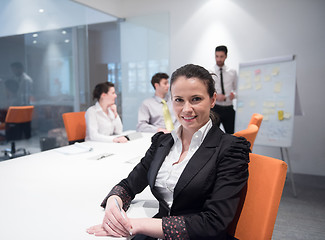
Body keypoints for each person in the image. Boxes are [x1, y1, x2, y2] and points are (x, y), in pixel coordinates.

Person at [87, 64, 250, 239]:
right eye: (179, 100)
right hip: (157, 232)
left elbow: (214, 222)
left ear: (212, 100)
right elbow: (129, 184)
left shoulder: (231, 148)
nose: (186, 109)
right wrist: (114, 203)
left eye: (196, 99)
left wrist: (137, 224)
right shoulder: (162, 143)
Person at [210, 45, 237, 134]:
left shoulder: (232, 72)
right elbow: (206, 91)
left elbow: (238, 90)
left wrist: (232, 96)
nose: (218, 59)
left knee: (231, 136)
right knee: (212, 135)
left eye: (221, 56)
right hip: (215, 108)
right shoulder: (210, 72)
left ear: (226, 56)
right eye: (216, 56)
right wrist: (216, 97)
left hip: (228, 108)